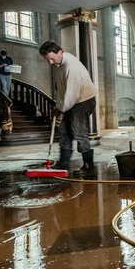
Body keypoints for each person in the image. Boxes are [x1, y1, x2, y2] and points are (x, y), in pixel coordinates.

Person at [38, 40, 97, 173]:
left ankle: (89, 164)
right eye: (48, 60)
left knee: (78, 130)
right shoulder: (59, 66)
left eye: (52, 59)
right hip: (72, 100)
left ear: (60, 52)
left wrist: (60, 109)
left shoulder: (71, 67)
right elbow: (61, 91)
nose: (51, 63)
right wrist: (58, 106)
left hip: (84, 99)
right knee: (64, 130)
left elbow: (72, 93)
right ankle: (63, 162)